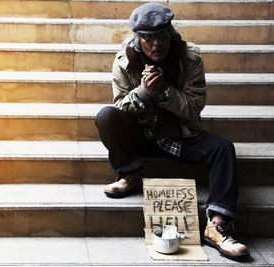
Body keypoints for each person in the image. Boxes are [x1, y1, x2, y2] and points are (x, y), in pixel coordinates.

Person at [95, 3, 249, 261]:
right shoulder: (123, 61)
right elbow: (121, 106)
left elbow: (194, 108)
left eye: (162, 35)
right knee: (106, 116)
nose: (157, 43)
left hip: (180, 136)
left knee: (223, 148)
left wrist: (165, 91)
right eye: (149, 37)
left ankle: (217, 225)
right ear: (138, 39)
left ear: (171, 34)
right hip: (143, 135)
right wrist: (144, 93)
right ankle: (130, 173)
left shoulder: (190, 59)